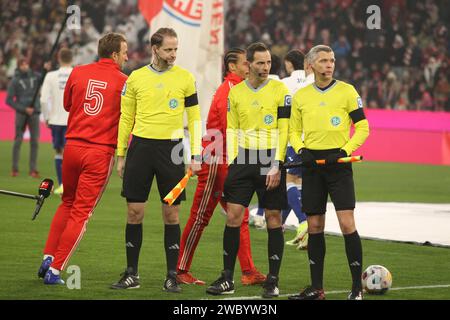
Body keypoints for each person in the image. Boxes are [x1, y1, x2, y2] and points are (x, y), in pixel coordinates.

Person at [111, 28, 202, 293]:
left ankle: (171, 275)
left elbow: (195, 118)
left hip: (172, 150)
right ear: (155, 49)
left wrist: (195, 154)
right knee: (134, 212)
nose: (173, 54)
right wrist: (120, 155)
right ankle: (131, 273)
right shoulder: (135, 78)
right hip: (140, 148)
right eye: (168, 49)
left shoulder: (186, 78)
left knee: (171, 214)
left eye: (176, 49)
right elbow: (125, 118)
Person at [37, 33, 129, 284]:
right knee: (81, 213)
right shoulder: (124, 82)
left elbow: (68, 105)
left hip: (73, 147)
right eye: (124, 52)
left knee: (66, 202)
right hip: (99, 152)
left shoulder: (78, 72)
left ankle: (48, 257)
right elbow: (128, 118)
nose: (127, 56)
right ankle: (56, 270)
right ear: (114, 54)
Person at [206, 42, 290, 298]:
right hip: (242, 160)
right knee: (233, 217)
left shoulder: (280, 90)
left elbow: (284, 129)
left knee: (273, 218)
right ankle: (227, 278)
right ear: (249, 65)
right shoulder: (236, 93)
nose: (266, 67)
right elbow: (231, 129)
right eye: (261, 63)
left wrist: (277, 163)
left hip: (270, 160)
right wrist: (233, 161)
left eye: (268, 63)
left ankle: (272, 280)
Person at [176, 48, 266, 287]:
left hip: (231, 162)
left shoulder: (237, 89)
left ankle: (248, 271)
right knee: (200, 217)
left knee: (240, 216)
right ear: (232, 67)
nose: (250, 67)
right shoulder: (230, 92)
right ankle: (180, 269)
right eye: (246, 64)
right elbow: (231, 130)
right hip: (217, 162)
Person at [287, 45, 369, 300]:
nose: (329, 65)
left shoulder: (347, 91)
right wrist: (302, 151)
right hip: (312, 166)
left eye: (331, 60)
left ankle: (357, 288)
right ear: (310, 65)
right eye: (323, 61)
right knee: (314, 225)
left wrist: (344, 151)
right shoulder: (301, 96)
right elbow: (292, 131)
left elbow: (363, 128)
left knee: (347, 224)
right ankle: (316, 288)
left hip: (339, 166)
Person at [281, 49, 315, 250]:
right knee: (299, 183)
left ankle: (304, 224)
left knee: (289, 181)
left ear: (288, 63)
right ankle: (284, 225)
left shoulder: (285, 83)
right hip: (312, 139)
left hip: (294, 138)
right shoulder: (314, 82)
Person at [40, 48, 74, 195]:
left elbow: (43, 99)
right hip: (73, 120)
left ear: (59, 58)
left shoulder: (50, 76)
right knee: (72, 154)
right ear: (71, 59)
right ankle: (73, 184)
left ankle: (62, 185)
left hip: (56, 120)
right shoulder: (77, 73)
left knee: (59, 152)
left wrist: (46, 117)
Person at [6, 58, 41, 178]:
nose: (25, 66)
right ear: (19, 66)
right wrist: (23, 109)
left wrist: (46, 68)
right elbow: (8, 100)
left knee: (35, 142)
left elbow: (44, 77)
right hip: (21, 114)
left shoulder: (36, 76)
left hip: (34, 113)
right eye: (22, 64)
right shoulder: (15, 81)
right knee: (18, 140)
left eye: (26, 64)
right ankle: (15, 169)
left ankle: (33, 169)